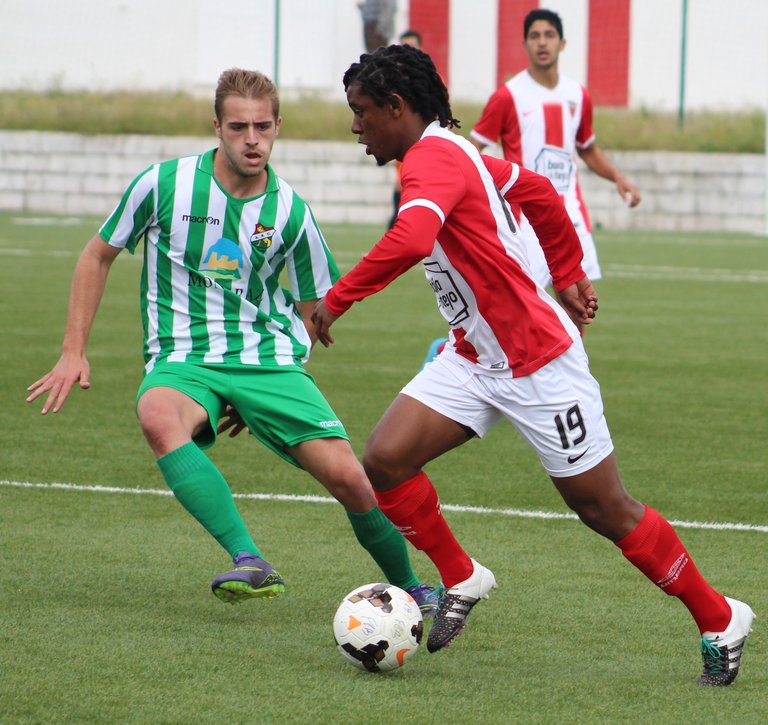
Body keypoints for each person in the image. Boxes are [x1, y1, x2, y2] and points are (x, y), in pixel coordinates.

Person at [310, 44, 754, 685]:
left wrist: (335, 301)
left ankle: (720, 617)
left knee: (606, 509)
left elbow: (412, 238)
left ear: (397, 106)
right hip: (475, 356)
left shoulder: (432, 158)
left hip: (539, 362)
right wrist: (567, 272)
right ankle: (462, 576)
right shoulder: (458, 152)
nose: (355, 127)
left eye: (361, 111)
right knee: (384, 459)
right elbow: (541, 192)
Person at [25, 68, 438, 615]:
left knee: (352, 481)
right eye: (239, 127)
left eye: (262, 127)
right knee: (157, 414)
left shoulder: (290, 211)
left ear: (277, 126)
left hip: (266, 360)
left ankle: (415, 588)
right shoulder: (164, 184)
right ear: (217, 126)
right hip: (184, 356)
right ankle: (249, 558)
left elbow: (315, 310)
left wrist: (289, 360)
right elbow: (97, 255)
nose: (252, 139)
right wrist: (73, 349)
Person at [470, 8, 642, 290]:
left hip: (572, 217)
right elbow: (472, 150)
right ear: (524, 44)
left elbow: (587, 149)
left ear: (562, 43)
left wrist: (618, 178)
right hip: (526, 222)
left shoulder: (578, 94)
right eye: (535, 36)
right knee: (526, 305)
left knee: (582, 305)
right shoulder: (507, 96)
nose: (542, 42)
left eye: (549, 35)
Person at [388, 29, 424, 229]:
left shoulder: (431, 82)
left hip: (424, 155)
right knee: (400, 216)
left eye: (412, 48)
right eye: (404, 48)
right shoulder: (393, 84)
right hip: (404, 159)